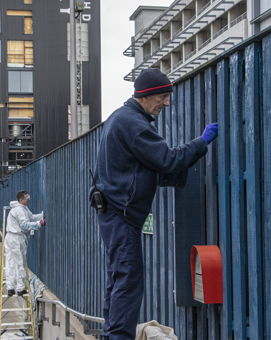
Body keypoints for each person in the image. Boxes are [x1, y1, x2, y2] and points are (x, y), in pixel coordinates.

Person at [89, 68, 218, 340]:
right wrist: (201, 142)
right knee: (129, 281)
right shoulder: (133, 124)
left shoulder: (120, 118)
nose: (167, 103)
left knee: (118, 279)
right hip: (122, 216)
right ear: (145, 97)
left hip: (113, 213)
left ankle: (113, 335)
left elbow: (144, 168)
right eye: (163, 97)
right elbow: (167, 159)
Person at [4, 190, 45, 297]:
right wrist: (39, 224)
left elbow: (31, 217)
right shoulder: (19, 210)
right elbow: (25, 224)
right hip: (17, 238)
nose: (29, 199)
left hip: (10, 237)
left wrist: (41, 216)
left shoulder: (21, 208)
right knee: (20, 262)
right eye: (27, 198)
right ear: (21, 200)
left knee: (10, 262)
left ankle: (10, 287)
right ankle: (20, 288)